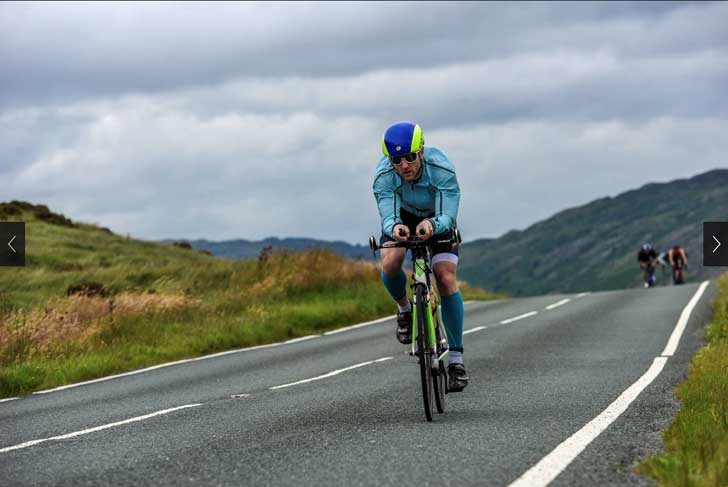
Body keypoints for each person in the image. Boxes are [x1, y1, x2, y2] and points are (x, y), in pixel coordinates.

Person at [373, 121, 468, 392]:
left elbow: (448, 215)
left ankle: (457, 360)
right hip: (403, 216)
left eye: (410, 157)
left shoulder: (442, 169)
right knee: (390, 262)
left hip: (437, 217)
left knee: (446, 278)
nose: (404, 166)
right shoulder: (383, 176)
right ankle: (405, 310)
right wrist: (395, 228)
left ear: (422, 151)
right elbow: (388, 216)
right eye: (396, 160)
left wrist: (433, 226)